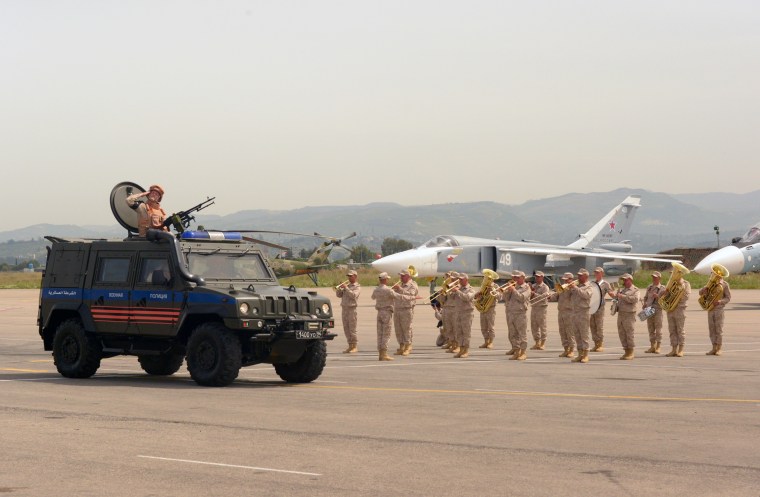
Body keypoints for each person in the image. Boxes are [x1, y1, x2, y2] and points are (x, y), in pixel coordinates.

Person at [699, 273, 731, 356]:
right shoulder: (710, 284)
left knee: (718, 329)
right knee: (712, 329)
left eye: (717, 275)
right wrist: (704, 290)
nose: (715, 276)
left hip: (719, 309)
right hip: (710, 309)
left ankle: (719, 348)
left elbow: (728, 298)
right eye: (713, 274)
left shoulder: (724, 284)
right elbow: (700, 292)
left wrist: (720, 301)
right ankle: (714, 348)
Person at [502, 271, 531, 360]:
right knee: (512, 334)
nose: (515, 279)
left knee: (522, 334)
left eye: (517, 277)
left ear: (523, 278)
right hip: (511, 313)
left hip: (520, 314)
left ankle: (523, 352)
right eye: (514, 277)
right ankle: (516, 351)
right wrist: (506, 291)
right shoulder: (513, 286)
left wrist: (513, 290)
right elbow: (506, 299)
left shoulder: (526, 288)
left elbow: (522, 298)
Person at [662, 275, 691, 357]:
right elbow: (664, 295)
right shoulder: (671, 283)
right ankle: (674, 349)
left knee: (680, 330)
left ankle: (681, 349)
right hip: (671, 309)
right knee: (672, 330)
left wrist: (676, 293)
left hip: (680, 309)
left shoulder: (686, 284)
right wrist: (666, 292)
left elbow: (686, 296)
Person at [568, 268, 594, 363]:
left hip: (584, 313)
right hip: (575, 312)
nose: (578, 277)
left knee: (584, 334)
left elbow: (586, 295)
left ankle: (586, 354)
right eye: (578, 275)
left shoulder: (589, 286)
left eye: (580, 275)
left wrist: (575, 288)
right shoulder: (576, 285)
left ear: (586, 277)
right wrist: (568, 287)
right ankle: (580, 354)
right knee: (577, 334)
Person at [371, 272, 397, 361]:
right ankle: (384, 353)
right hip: (386, 312)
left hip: (379, 313)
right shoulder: (388, 290)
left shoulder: (376, 289)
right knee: (386, 333)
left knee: (380, 333)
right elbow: (397, 296)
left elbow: (373, 297)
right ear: (385, 280)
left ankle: (380, 354)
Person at [613, 273, 640, 360]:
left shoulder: (635, 290)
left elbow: (635, 299)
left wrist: (623, 296)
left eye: (626, 280)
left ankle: (631, 352)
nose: (624, 281)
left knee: (629, 333)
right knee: (622, 333)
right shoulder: (622, 290)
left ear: (630, 280)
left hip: (629, 314)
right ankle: (626, 351)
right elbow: (617, 299)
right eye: (623, 280)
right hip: (621, 314)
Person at [393, 269, 419, 356]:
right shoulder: (401, 284)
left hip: (406, 309)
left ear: (408, 276)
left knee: (406, 329)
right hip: (397, 309)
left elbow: (411, 295)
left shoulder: (413, 285)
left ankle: (408, 346)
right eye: (401, 275)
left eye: (403, 275)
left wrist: (400, 289)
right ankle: (401, 346)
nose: (401, 277)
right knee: (398, 329)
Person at [550, 272, 577, 358]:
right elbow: (555, 297)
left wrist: (571, 287)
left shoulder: (573, 288)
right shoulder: (561, 287)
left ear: (571, 279)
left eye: (566, 280)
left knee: (570, 332)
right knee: (562, 332)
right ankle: (566, 349)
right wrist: (550, 296)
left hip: (569, 312)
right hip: (561, 312)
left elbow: (576, 296)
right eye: (564, 280)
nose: (565, 281)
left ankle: (572, 350)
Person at [451, 273, 477, 358]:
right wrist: (452, 291)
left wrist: (457, 291)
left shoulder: (471, 289)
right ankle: (461, 349)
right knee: (459, 332)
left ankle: (466, 350)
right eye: (459, 279)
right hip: (458, 313)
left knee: (466, 333)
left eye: (461, 279)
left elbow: (467, 298)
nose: (460, 281)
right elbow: (451, 298)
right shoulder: (459, 288)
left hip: (467, 313)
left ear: (466, 280)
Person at [335, 269, 361, 353]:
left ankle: (354, 345)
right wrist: (339, 289)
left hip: (352, 309)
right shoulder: (347, 286)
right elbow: (339, 295)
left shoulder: (357, 287)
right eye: (348, 276)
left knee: (352, 329)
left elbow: (354, 296)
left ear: (355, 277)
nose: (349, 278)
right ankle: (350, 345)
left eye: (351, 276)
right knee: (346, 328)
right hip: (344, 309)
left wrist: (346, 288)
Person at [642, 271, 666, 354]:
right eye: (653, 277)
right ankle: (652, 346)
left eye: (655, 277)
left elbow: (665, 301)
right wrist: (645, 303)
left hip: (657, 309)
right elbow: (645, 297)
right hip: (649, 309)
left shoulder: (663, 288)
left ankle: (658, 346)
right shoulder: (649, 287)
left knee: (658, 329)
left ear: (659, 278)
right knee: (651, 328)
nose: (654, 278)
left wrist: (658, 297)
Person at [589, 267, 612, 352]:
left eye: (598, 273)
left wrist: (613, 294)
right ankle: (596, 343)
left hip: (600, 307)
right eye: (595, 273)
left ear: (602, 273)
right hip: (592, 307)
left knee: (599, 326)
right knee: (592, 325)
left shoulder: (605, 283)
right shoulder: (592, 283)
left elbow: (610, 292)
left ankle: (600, 344)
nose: (596, 274)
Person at [529, 271, 550, 350]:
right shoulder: (533, 286)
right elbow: (529, 297)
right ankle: (537, 342)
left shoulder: (545, 287)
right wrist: (529, 290)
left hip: (541, 308)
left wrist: (534, 293)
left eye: (538, 277)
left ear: (542, 277)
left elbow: (544, 297)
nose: (537, 278)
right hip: (534, 307)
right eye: (536, 277)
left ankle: (543, 343)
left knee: (542, 326)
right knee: (534, 326)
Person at [444, 272, 461, 354]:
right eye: (452, 278)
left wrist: (456, 290)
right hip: (448, 308)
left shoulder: (460, 287)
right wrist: (442, 293)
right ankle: (452, 344)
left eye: (454, 278)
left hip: (455, 309)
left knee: (455, 328)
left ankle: (457, 345)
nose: (452, 279)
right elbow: (445, 299)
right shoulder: (450, 286)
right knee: (449, 328)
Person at [477, 278, 497, 349]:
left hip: (491, 308)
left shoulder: (496, 286)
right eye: (486, 279)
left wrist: (493, 290)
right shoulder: (483, 287)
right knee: (483, 327)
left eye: (489, 279)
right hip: (483, 308)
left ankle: (491, 342)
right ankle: (486, 341)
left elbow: (500, 297)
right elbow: (478, 296)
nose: (487, 280)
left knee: (490, 327)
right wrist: (479, 296)